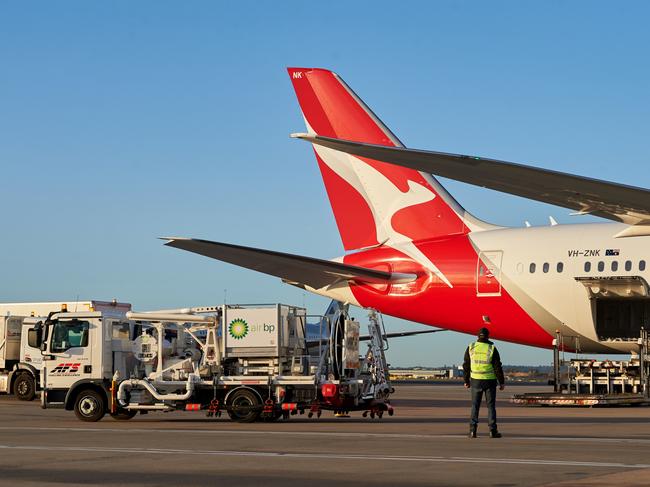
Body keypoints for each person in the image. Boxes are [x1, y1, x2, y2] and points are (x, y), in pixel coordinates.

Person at [463, 327, 505, 438]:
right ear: (488, 336)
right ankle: (492, 431)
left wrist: (466, 380)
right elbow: (497, 367)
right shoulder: (492, 348)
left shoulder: (471, 347)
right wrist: (501, 382)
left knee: (475, 406)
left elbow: (466, 365)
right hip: (490, 381)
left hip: (475, 380)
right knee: (491, 407)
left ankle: (473, 431)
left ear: (478, 336)